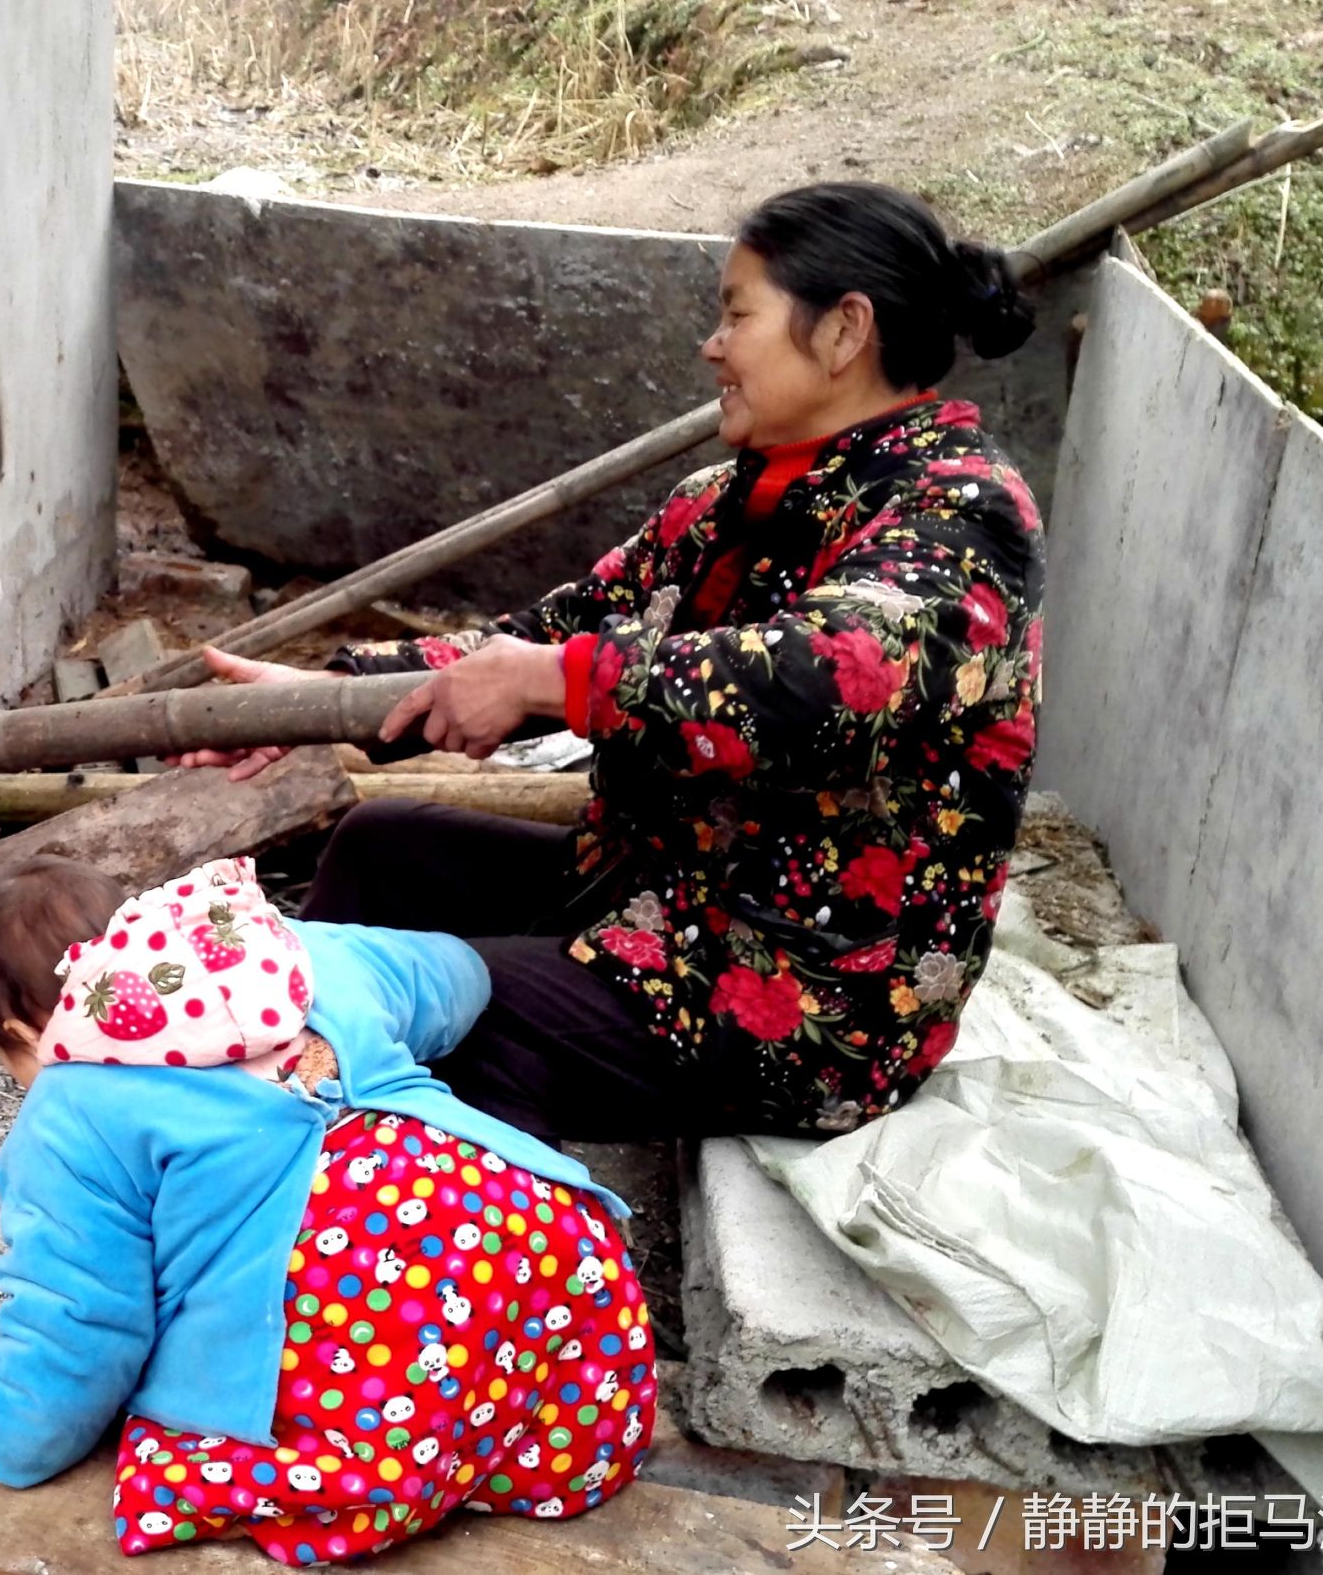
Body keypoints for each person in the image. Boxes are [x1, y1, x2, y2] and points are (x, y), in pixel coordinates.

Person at [171, 182, 1044, 1142]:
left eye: (735, 314)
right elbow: (556, 630)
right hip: (656, 896)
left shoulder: (959, 511)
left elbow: (826, 677)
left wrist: (561, 680)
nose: (712, 345)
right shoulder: (722, 502)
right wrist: (327, 696)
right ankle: (271, 1135)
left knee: (446, 1014)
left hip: (799, 994)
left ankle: (403, 1230)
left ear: (843, 332)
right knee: (386, 852)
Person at [0, 855, 657, 1564]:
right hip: (536, 1233)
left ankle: (399, 1464)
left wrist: (8, 1436)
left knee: (227, 1417)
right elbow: (451, 975)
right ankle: (527, 1435)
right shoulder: (289, 952)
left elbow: (83, 1319)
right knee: (503, 1323)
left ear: (19, 1032)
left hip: (368, 1316)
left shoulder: (68, 1105)